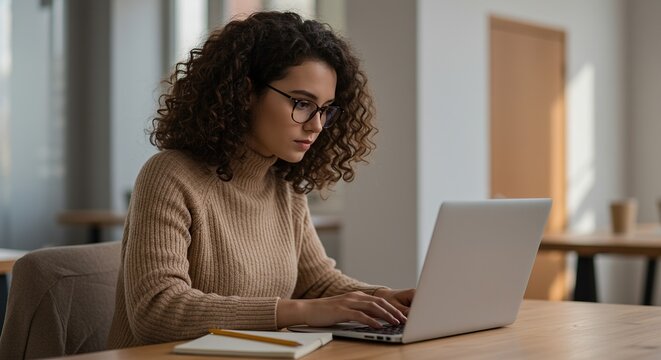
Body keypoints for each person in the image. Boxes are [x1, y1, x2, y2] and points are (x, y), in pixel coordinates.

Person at [107, 11, 415, 349]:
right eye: (302, 103)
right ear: (246, 93)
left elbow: (317, 285)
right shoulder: (170, 176)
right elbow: (157, 312)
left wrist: (386, 298)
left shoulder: (283, 187)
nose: (315, 125)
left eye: (326, 109)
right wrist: (301, 312)